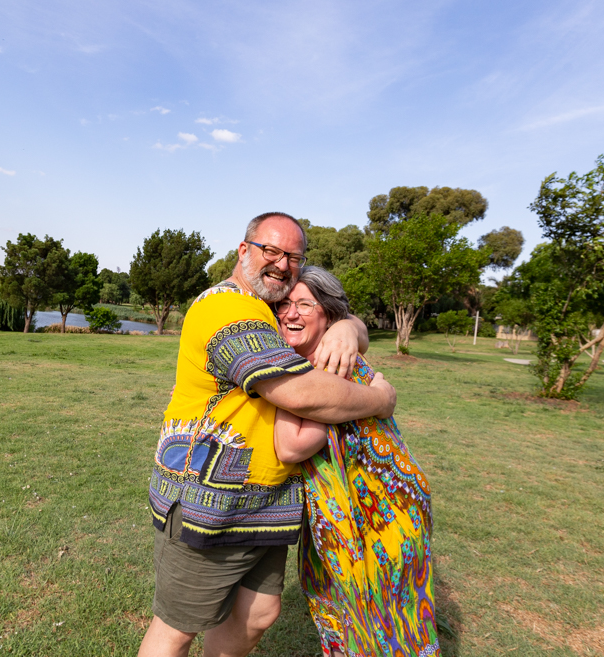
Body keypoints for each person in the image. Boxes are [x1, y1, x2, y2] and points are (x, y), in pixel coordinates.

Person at [138, 213, 398, 657]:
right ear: (244, 250)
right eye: (270, 251)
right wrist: (381, 399)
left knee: (258, 614)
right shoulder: (228, 307)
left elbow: (327, 317)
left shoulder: (265, 308)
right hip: (209, 504)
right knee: (176, 629)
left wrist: (347, 327)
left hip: (266, 500)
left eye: (293, 256)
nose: (281, 264)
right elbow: (300, 392)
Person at [273, 266, 439, 657]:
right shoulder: (320, 354)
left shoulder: (328, 364)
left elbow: (293, 446)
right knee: (375, 628)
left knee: (383, 631)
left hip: (381, 518)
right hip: (364, 514)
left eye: (304, 304)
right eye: (284, 303)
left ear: (328, 315)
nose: (290, 313)